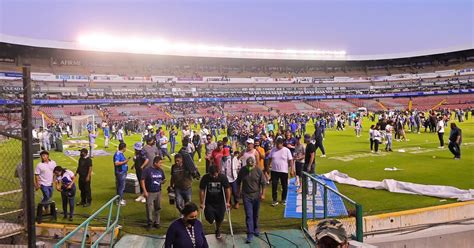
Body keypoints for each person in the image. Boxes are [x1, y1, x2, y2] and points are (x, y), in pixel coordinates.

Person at [236, 157, 266, 244]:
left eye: (251, 165)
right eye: (248, 165)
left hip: (256, 195)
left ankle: (256, 228)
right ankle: (250, 233)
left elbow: (263, 183)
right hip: (246, 196)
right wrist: (238, 193)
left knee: (255, 214)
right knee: (249, 215)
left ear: (254, 164)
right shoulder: (242, 170)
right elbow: (238, 182)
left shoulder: (258, 170)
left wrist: (263, 194)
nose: (250, 166)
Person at [199, 165, 231, 239]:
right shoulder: (205, 178)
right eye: (211, 174)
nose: (213, 176)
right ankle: (213, 220)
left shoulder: (222, 178)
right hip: (209, 202)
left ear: (218, 172)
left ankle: (218, 229)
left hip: (220, 202)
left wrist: (227, 202)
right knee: (209, 218)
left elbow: (227, 189)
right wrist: (202, 202)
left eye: (215, 174)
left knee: (220, 218)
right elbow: (202, 190)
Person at [141, 156, 166, 229]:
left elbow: (163, 179)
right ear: (155, 163)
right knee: (149, 208)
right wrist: (145, 191)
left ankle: (157, 222)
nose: (161, 164)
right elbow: (142, 180)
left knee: (158, 207)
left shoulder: (161, 170)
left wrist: (163, 182)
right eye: (160, 163)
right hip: (150, 192)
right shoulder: (147, 170)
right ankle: (150, 222)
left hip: (158, 191)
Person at [269, 137, 294, 207]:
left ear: (282, 144)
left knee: (284, 186)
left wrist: (292, 170)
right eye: (276, 144)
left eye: (278, 144)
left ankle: (283, 199)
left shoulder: (286, 150)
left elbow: (291, 160)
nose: (277, 145)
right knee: (274, 186)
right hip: (274, 171)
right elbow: (270, 158)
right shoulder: (273, 150)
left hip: (284, 171)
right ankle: (274, 200)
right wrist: (268, 167)